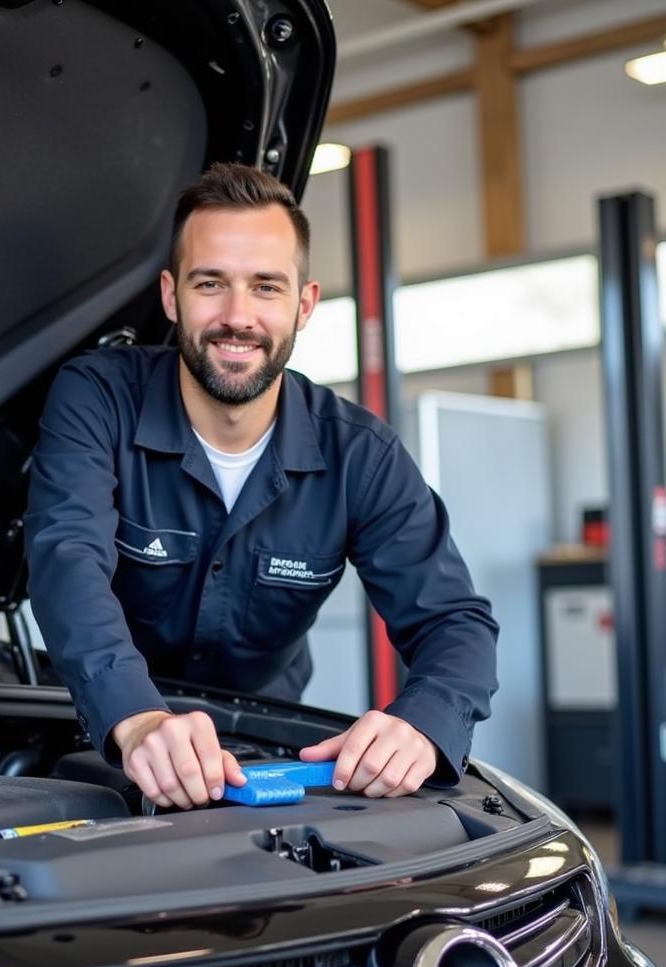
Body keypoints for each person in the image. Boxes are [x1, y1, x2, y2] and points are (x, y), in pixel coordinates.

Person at [24, 163, 498, 810]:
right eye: (210, 283)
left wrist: (422, 722)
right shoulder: (98, 398)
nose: (237, 316)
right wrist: (136, 718)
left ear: (304, 304)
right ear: (172, 297)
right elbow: (65, 559)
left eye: (266, 287)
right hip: (103, 731)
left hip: (266, 746)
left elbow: (453, 619)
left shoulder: (359, 453)